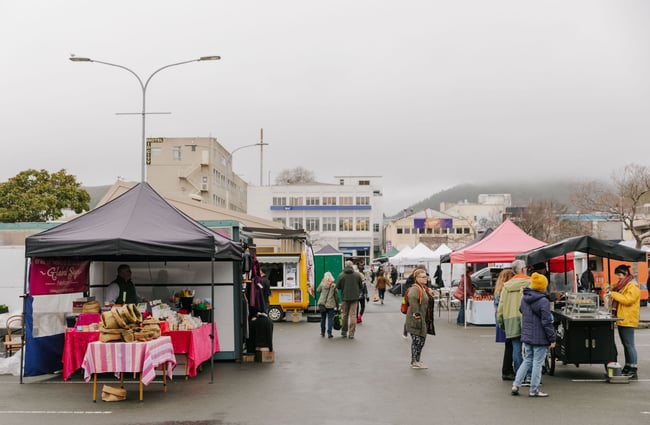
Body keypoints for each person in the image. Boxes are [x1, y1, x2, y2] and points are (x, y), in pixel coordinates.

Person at [511, 273, 556, 397]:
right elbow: (546, 321)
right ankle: (534, 389)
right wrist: (552, 338)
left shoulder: (525, 298)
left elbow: (521, 310)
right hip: (540, 336)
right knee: (537, 362)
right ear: (543, 286)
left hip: (527, 334)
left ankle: (516, 384)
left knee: (527, 360)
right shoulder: (543, 301)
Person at [497, 259, 530, 375]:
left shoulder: (506, 286)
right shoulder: (530, 283)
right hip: (528, 319)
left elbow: (501, 306)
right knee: (530, 349)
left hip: (510, 319)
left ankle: (519, 374)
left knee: (516, 348)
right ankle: (529, 374)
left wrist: (501, 321)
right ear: (522, 269)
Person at [608, 264, 640, 379]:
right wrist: (611, 288)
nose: (619, 278)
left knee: (629, 345)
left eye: (620, 275)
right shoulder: (625, 284)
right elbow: (616, 287)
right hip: (622, 318)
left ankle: (633, 368)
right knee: (626, 344)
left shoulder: (633, 286)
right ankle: (628, 366)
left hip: (628, 318)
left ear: (626, 273)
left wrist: (613, 294)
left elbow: (628, 300)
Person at [406, 268, 433, 369]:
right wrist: (418, 319)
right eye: (423, 277)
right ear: (417, 278)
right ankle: (414, 361)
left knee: (421, 341)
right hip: (415, 320)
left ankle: (417, 360)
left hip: (422, 319)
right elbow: (414, 306)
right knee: (417, 341)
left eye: (426, 276)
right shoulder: (415, 289)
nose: (426, 278)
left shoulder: (423, 288)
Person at [494, 268, 516, 380]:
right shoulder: (506, 290)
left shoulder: (499, 289)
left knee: (509, 346)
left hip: (501, 320)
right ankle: (507, 371)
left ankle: (508, 370)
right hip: (506, 320)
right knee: (510, 346)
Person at [336, 260, 363, 339]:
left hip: (345, 297)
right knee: (353, 315)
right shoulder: (357, 275)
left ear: (345, 266)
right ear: (352, 266)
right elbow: (360, 286)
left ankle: (344, 331)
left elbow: (338, 286)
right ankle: (351, 333)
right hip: (355, 298)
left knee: (345, 315)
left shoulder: (341, 275)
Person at [316, 271, 339, 338]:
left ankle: (322, 332)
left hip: (322, 303)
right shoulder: (334, 286)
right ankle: (329, 333)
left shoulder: (322, 284)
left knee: (323, 318)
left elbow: (318, 290)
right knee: (330, 319)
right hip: (330, 304)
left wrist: (322, 282)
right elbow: (336, 296)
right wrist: (337, 305)